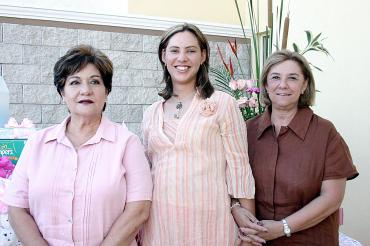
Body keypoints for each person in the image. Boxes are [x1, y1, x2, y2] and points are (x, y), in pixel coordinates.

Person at [2, 45, 153, 246]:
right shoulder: (37, 143)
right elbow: (17, 207)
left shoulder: (127, 143)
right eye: (75, 82)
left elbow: (139, 209)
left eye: (95, 82)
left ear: (106, 91)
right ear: (62, 92)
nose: (86, 90)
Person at [139, 23, 262, 246]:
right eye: (174, 50)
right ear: (164, 55)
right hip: (160, 226)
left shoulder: (223, 104)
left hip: (210, 226)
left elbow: (239, 168)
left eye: (191, 50)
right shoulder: (150, 113)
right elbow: (147, 172)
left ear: (203, 55)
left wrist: (248, 233)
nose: (182, 58)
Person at [232, 50, 359, 245]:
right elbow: (227, 182)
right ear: (265, 84)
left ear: (304, 85)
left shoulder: (325, 133)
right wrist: (235, 208)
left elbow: (332, 198)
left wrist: (283, 227)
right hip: (255, 241)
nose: (283, 85)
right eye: (275, 77)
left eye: (292, 78)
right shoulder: (246, 130)